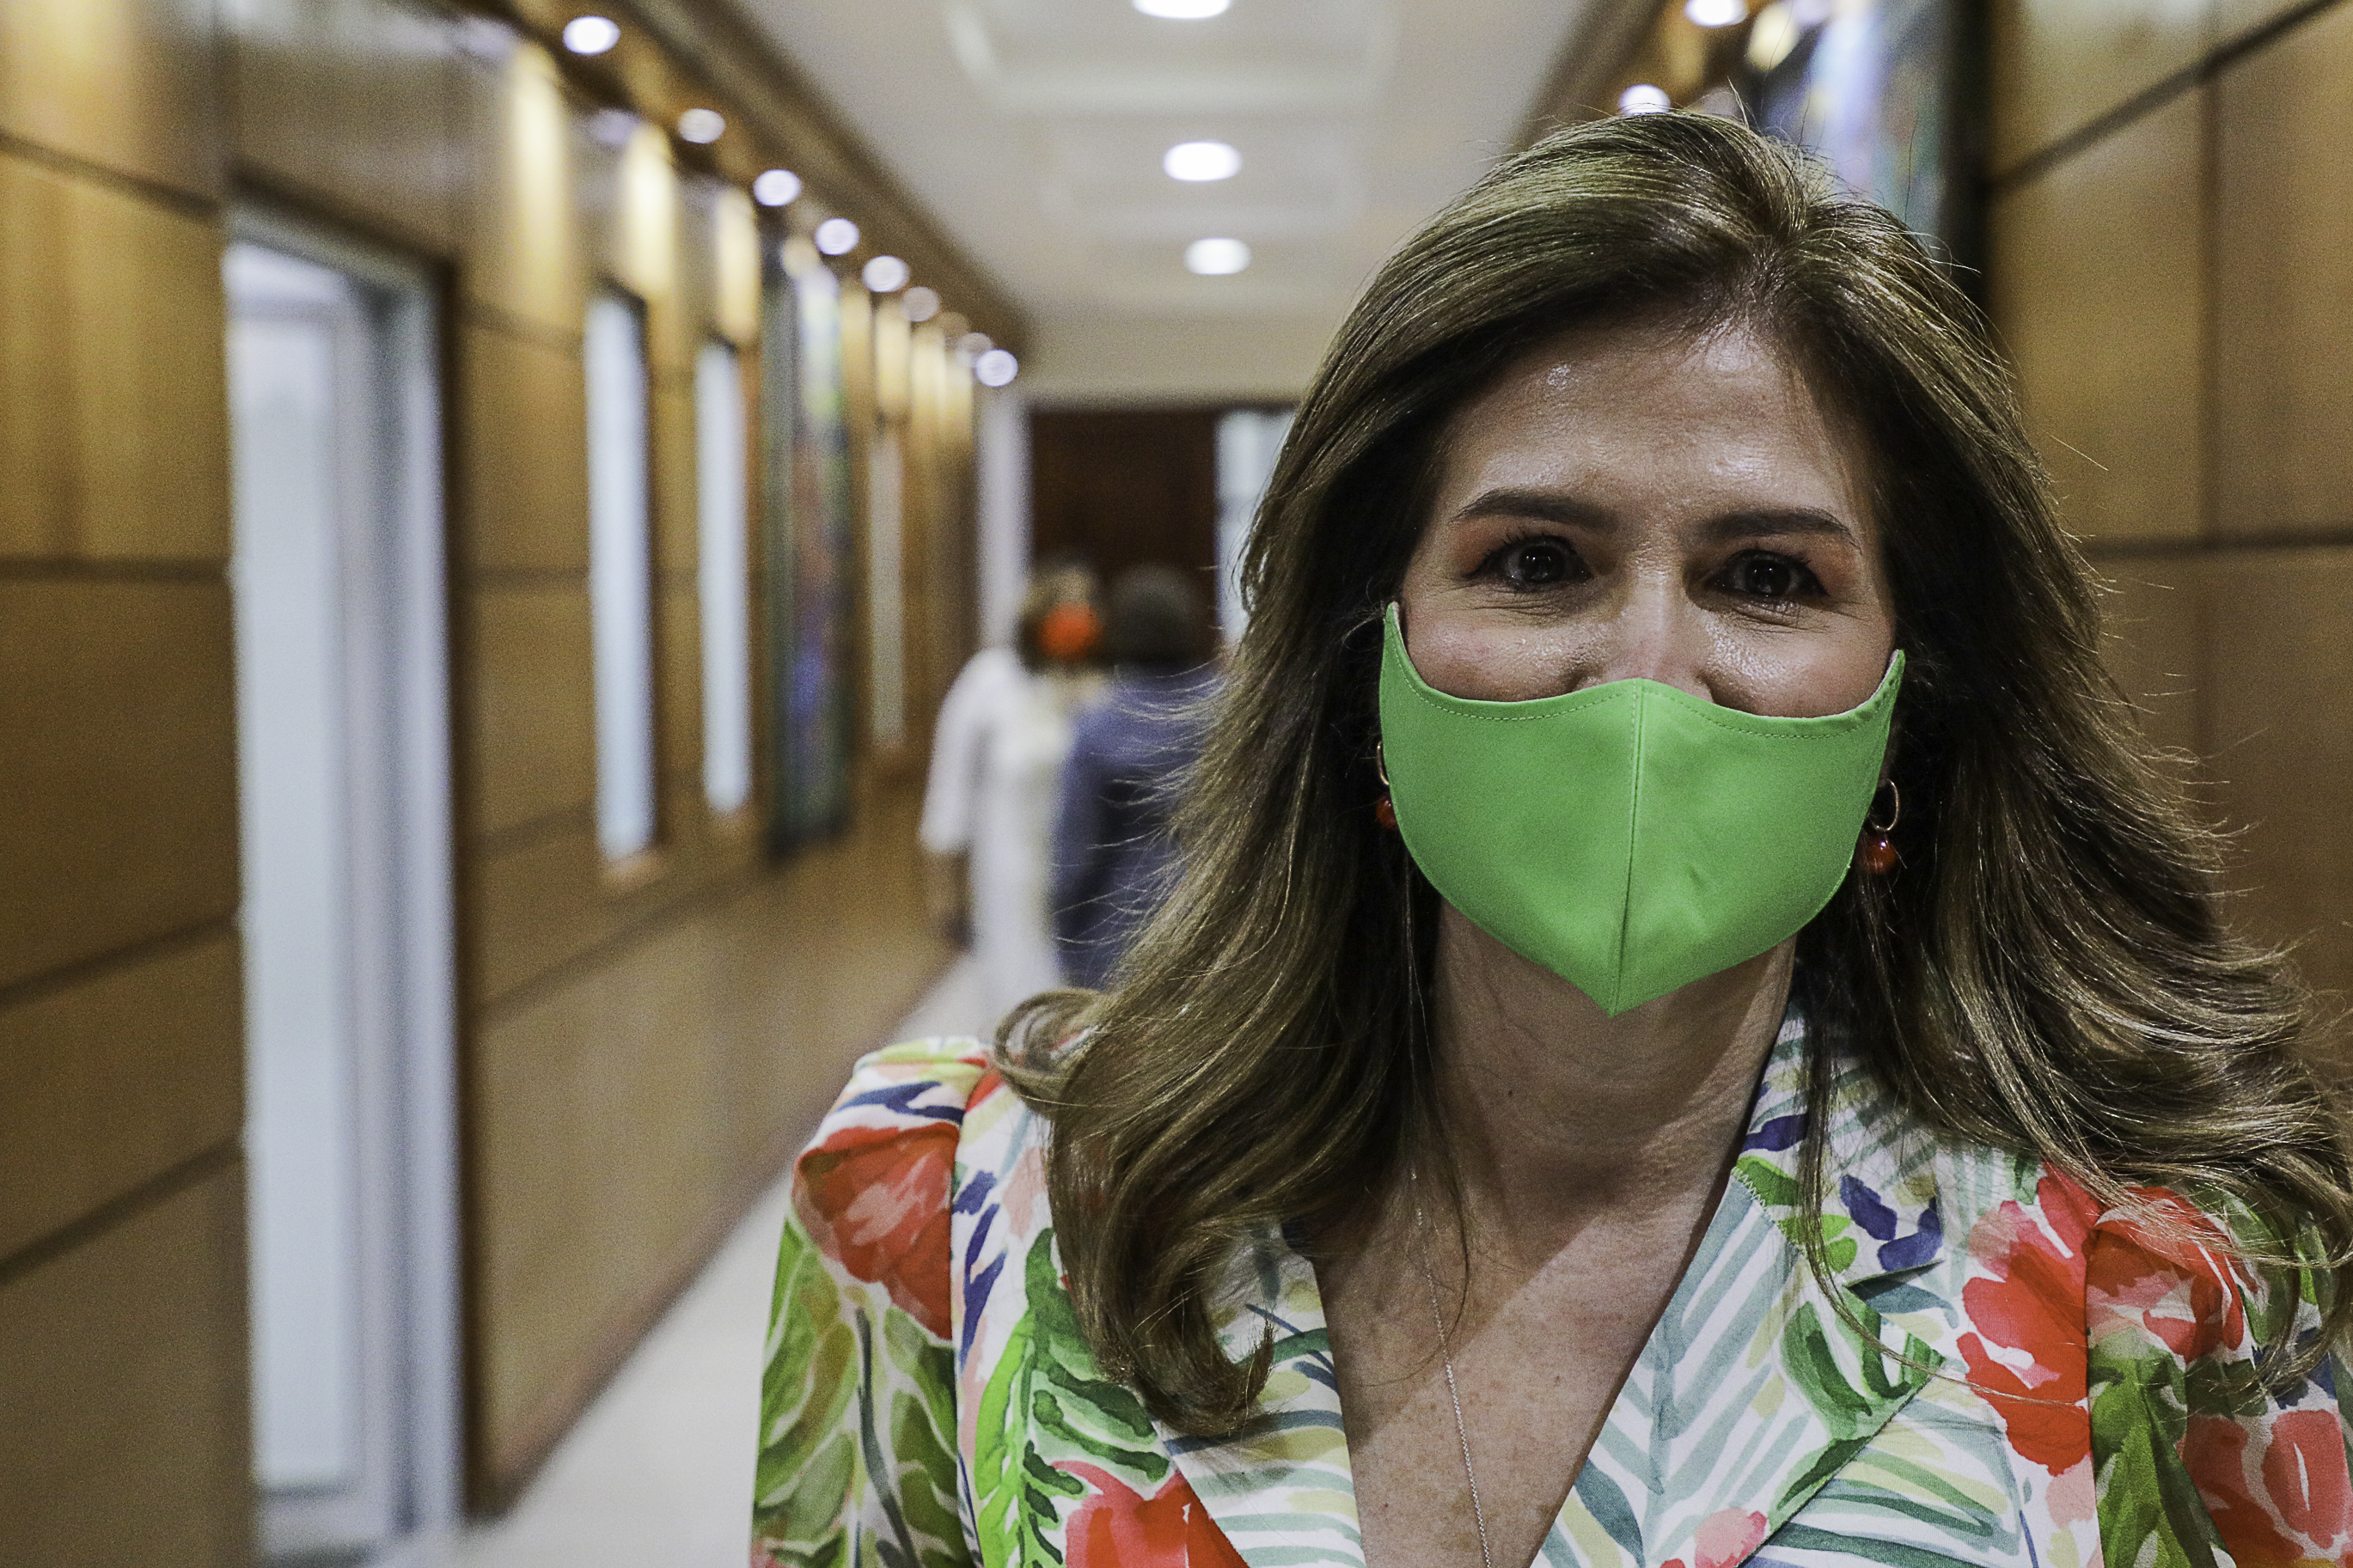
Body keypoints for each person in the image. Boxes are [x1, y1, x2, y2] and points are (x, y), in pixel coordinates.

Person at [755, 114, 2353, 1568]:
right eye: (1533, 561)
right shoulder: (963, 1202)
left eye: (1767, 577)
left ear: (1908, 697)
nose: (1643, 675)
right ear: (1365, 659)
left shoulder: (2168, 1281)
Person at [918, 561, 1103, 1022]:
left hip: (1082, 873)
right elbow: (949, 790)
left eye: (1084, 606)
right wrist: (943, 890)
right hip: (1009, 869)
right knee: (1018, 999)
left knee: (1079, 1008)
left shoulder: (1098, 684)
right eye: (1065, 606)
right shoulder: (989, 680)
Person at [1052, 564, 1222, 990]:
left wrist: (1066, 938)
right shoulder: (1236, 712)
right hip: (1222, 924)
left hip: (1120, 934)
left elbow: (1076, 853)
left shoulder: (1099, 727)